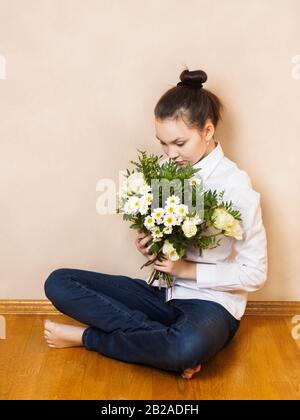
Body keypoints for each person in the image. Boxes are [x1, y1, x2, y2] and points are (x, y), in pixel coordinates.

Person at [43, 68, 268, 380]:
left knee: (185, 348)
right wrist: (149, 240)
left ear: (207, 131)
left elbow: (255, 273)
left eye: (179, 143)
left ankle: (87, 338)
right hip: (161, 293)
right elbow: (164, 233)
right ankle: (161, 342)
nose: (170, 154)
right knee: (59, 282)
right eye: (163, 143)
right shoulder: (164, 171)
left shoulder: (237, 187)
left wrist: (186, 270)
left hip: (211, 305)